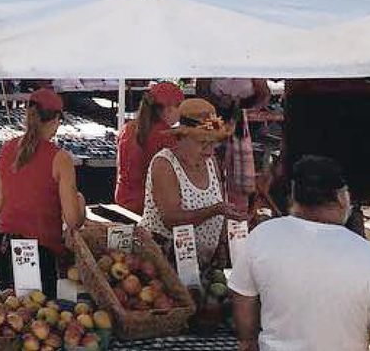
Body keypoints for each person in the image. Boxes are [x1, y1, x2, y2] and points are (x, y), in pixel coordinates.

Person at [231, 155, 370, 351]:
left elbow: (242, 296)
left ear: (293, 196)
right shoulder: (364, 253)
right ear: (341, 197)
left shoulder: (263, 236)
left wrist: (248, 340)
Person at [0, 87, 84, 296]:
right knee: (38, 313)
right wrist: (80, 201)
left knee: (7, 312)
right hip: (39, 252)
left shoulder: (6, 149)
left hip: (4, 248)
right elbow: (72, 220)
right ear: (56, 119)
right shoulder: (60, 158)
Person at [142, 97, 245, 268]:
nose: (209, 151)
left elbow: (219, 206)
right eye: (203, 143)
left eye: (213, 144)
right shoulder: (164, 163)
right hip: (163, 261)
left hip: (202, 263)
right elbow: (171, 219)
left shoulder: (211, 162)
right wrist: (215, 210)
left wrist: (222, 244)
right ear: (182, 137)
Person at [196, 77, 270, 207]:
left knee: (246, 169)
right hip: (215, 116)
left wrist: (251, 110)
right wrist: (217, 102)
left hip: (246, 121)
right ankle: (213, 202)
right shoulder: (209, 69)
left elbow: (264, 94)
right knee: (213, 162)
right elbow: (201, 92)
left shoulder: (251, 70)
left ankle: (245, 207)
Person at [114, 80, 184, 213]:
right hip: (149, 206)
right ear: (169, 108)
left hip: (123, 200)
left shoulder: (128, 128)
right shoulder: (166, 136)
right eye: (180, 106)